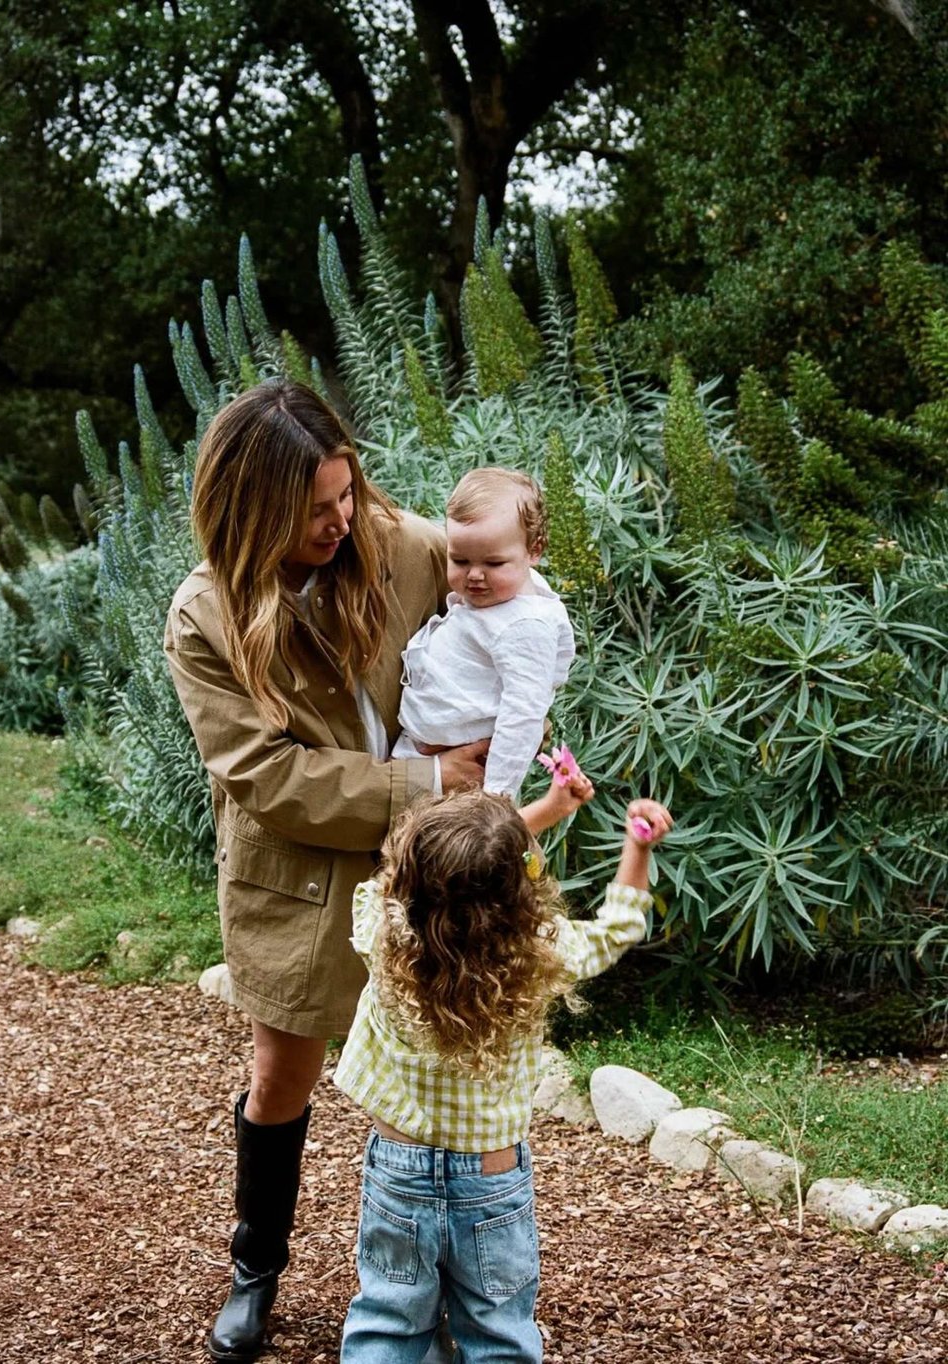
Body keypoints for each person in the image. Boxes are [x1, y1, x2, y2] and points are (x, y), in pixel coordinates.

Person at [163, 379, 489, 1364]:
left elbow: (501, 591)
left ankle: (429, 1288)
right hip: (298, 878)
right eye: (315, 509)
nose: (340, 520)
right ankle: (255, 1268)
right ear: (253, 507)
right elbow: (265, 775)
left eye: (347, 494)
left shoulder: (397, 544)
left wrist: (515, 716)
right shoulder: (205, 614)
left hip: (425, 870)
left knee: (432, 1087)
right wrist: (423, 778)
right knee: (282, 1077)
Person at [334, 766, 673, 1363]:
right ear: (522, 887)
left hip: (397, 1169)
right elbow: (618, 928)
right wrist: (636, 846)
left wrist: (545, 809)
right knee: (497, 1333)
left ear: (409, 877)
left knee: (388, 1321)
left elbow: (417, 877)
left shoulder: (379, 932)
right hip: (490, 1181)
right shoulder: (539, 955)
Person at [391, 467, 576, 799]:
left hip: (466, 776)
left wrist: (496, 795)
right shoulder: (500, 600)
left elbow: (523, 714)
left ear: (535, 550)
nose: (475, 576)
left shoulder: (524, 625)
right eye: (460, 560)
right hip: (427, 757)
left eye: (493, 564)